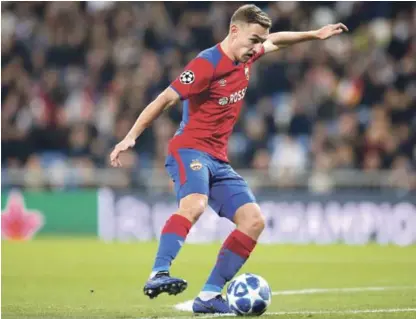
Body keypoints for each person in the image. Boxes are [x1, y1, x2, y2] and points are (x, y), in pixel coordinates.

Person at [110, 4, 347, 314]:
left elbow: (275, 41)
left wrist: (313, 35)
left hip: (219, 161)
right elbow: (165, 99)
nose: (257, 47)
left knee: (253, 221)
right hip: (189, 150)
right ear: (234, 31)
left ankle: (208, 296)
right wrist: (131, 136)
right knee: (193, 205)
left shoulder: (250, 52)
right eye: (253, 39)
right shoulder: (207, 64)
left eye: (259, 40)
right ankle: (158, 273)